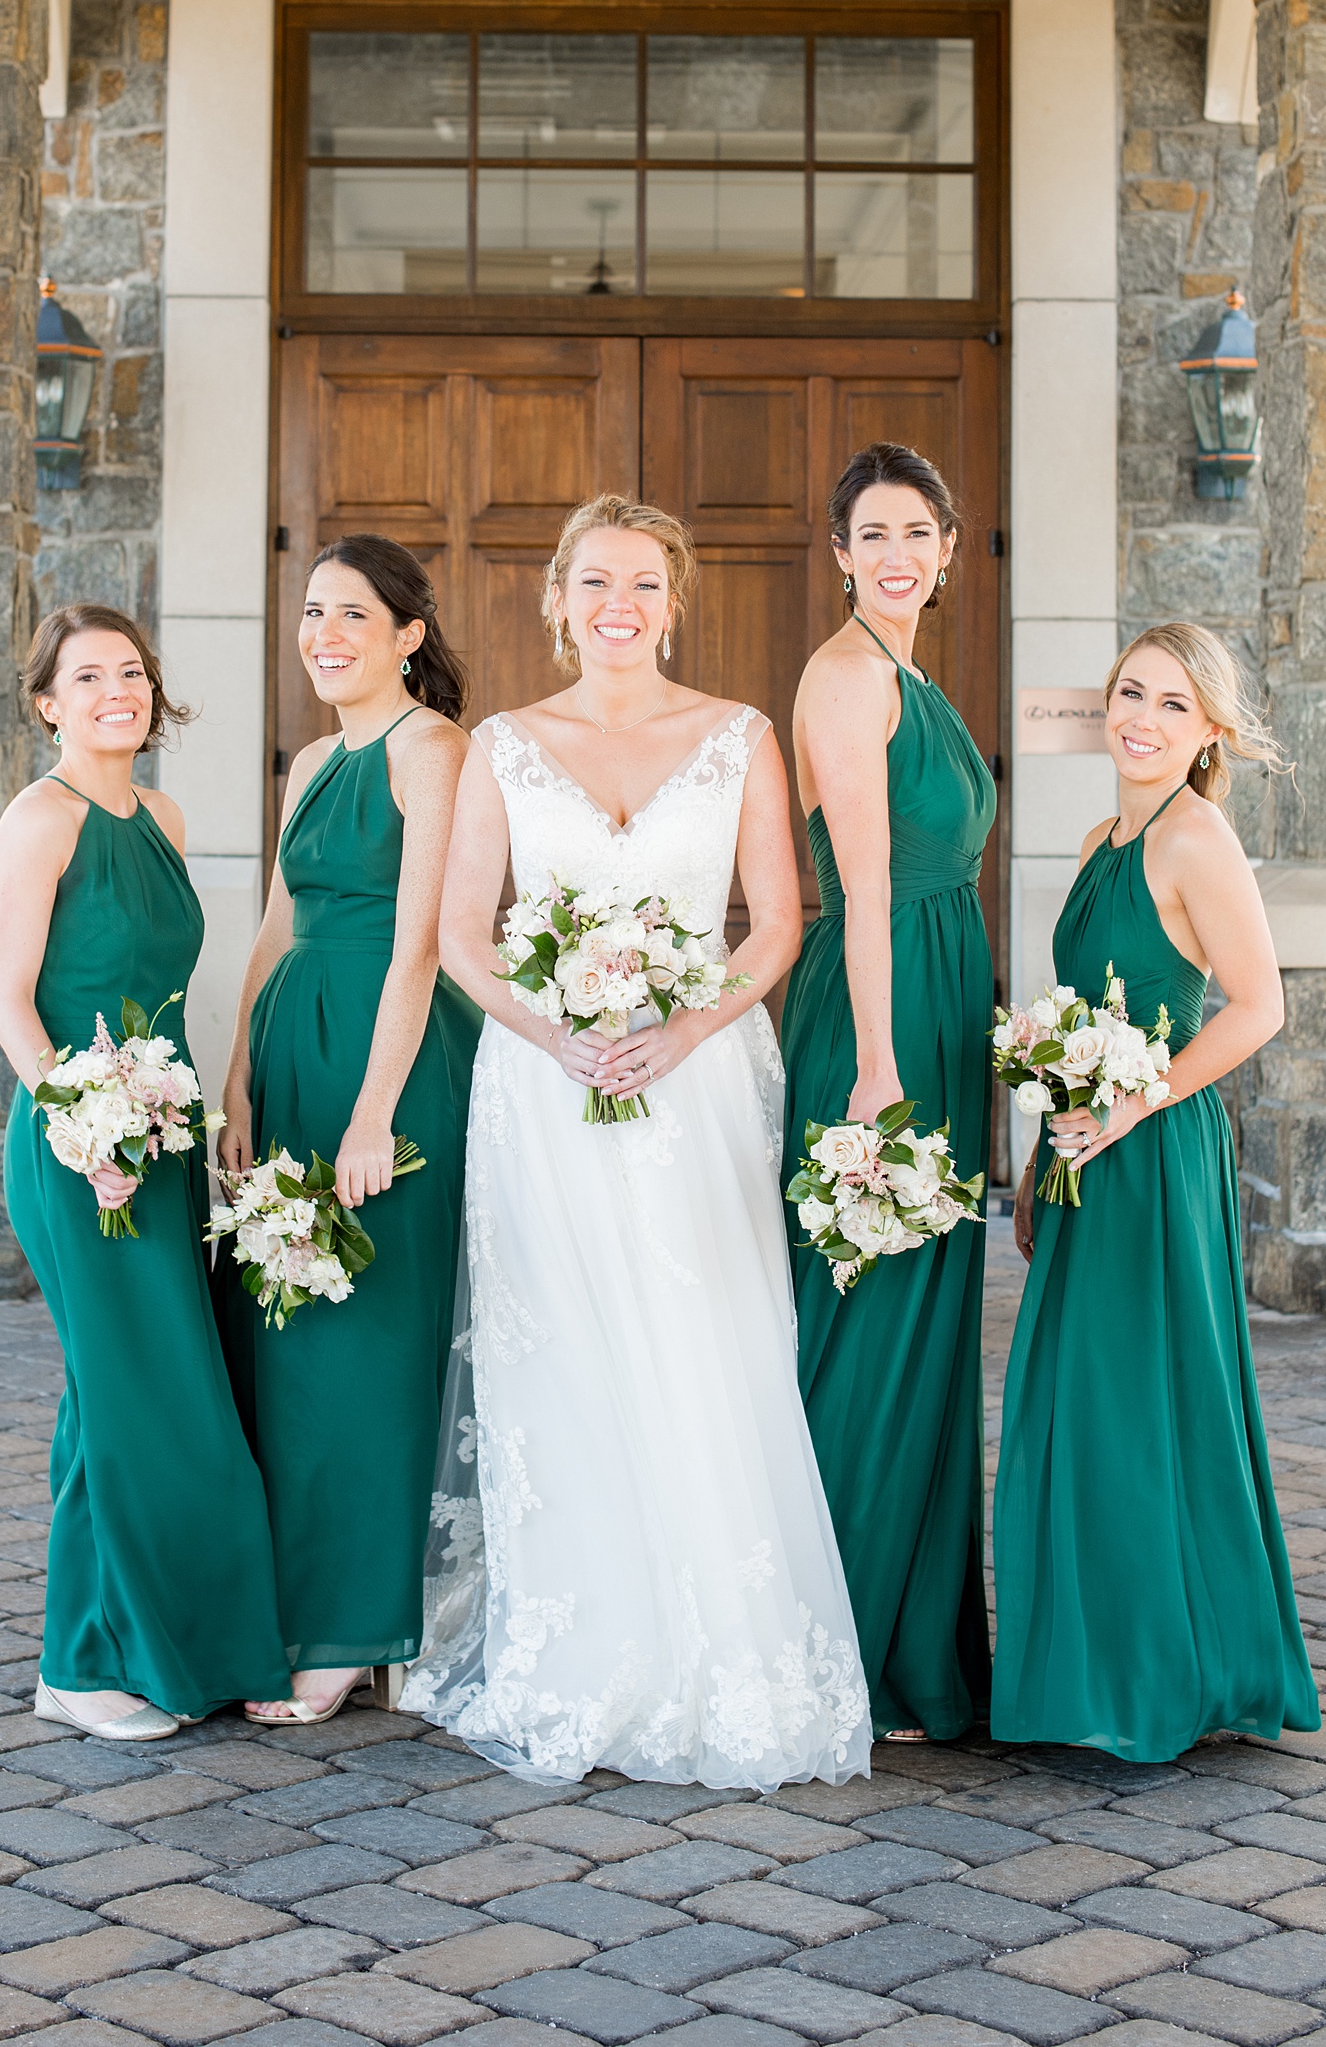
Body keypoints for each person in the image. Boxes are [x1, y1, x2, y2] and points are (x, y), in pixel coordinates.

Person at [403, 492, 869, 1789]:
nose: (621, 605)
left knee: (702, 1342)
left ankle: (719, 1650)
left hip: (697, 1079)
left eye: (646, 585)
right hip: (543, 1088)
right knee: (558, 1347)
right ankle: (581, 1650)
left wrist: (690, 1026)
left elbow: (775, 921)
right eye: (597, 581)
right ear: (557, 599)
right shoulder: (502, 745)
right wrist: (557, 1036)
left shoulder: (737, 736)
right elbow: (462, 938)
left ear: (675, 602)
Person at [992, 622, 1320, 1760]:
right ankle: (1080, 1667)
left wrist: (1136, 1102)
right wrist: (1049, 1130)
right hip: (1084, 1148)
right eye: (1131, 692)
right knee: (1074, 1404)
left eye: (1173, 705)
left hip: (1156, 1154)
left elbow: (1255, 1005)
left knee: (1142, 1406)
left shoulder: (1194, 838)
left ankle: (1158, 1673)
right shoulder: (1099, 836)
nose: (1141, 717)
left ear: (1209, 733)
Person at [0, 605, 290, 1738]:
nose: (120, 689)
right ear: (49, 701)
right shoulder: (40, 818)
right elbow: (6, 996)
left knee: (149, 1394)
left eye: (133, 672)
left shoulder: (159, 812)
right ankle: (81, 1660)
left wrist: (174, 1121)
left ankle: (152, 1644)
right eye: (89, 675)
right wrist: (81, 1123)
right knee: (127, 1397)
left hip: (159, 1144)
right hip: (77, 1151)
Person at [217, 537, 479, 1727]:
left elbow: (421, 937)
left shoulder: (432, 747)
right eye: (313, 612)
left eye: (353, 615)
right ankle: (308, 1596)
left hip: (391, 1053)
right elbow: (275, 924)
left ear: (408, 634)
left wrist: (376, 1109)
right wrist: (234, 1076)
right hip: (293, 1048)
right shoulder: (313, 758)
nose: (326, 634)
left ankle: (362, 1625)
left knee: (372, 1329)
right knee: (292, 1329)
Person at [779, 443, 996, 1743]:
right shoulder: (847, 675)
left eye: (920, 529)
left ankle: (912, 1643)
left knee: (923, 1325)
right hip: (883, 1015)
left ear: (949, 550)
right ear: (842, 553)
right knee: (866, 1319)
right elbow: (861, 883)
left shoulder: (914, 675)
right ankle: (831, 1647)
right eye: (874, 532)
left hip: (940, 998)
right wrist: (874, 1065)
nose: (899, 551)